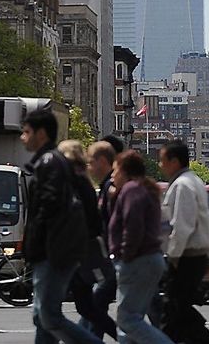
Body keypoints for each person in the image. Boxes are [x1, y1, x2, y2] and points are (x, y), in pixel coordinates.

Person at [21, 108, 103, 344]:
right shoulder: (51, 162)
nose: (22, 137)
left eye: (27, 132)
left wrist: (39, 245)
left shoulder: (50, 162)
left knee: (49, 316)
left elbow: (49, 207)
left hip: (52, 253)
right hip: (50, 252)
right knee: (41, 317)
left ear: (42, 133)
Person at [158, 140, 209, 344]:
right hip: (195, 255)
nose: (160, 165)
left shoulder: (183, 185)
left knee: (172, 310)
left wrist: (173, 256)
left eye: (162, 160)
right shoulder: (193, 181)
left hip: (187, 256)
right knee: (178, 311)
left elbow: (181, 226)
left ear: (174, 161)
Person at [109, 150, 174, 344]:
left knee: (127, 318)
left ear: (126, 171)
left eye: (115, 170)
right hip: (147, 259)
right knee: (129, 321)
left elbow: (133, 225)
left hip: (138, 260)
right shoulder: (143, 189)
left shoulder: (132, 190)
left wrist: (125, 256)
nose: (113, 176)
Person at [60, 140, 118, 341]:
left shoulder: (82, 183)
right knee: (89, 307)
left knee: (89, 306)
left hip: (92, 252)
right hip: (92, 251)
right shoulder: (88, 183)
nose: (89, 166)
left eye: (92, 161)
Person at [85, 140, 121, 339]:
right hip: (108, 256)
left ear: (103, 161)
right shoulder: (106, 186)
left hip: (116, 257)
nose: (89, 167)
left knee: (96, 304)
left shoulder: (111, 187)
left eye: (91, 161)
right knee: (95, 305)